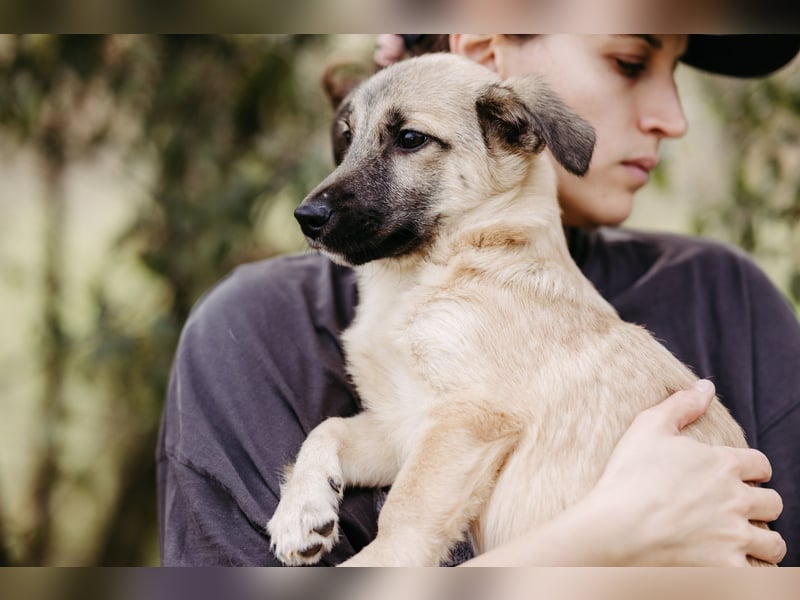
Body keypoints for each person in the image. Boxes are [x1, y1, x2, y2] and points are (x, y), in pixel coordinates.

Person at [157, 34, 800, 566]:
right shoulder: (253, 336)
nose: (673, 118)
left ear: (516, 129)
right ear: (484, 47)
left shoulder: (729, 299)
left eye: (408, 140)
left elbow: (472, 418)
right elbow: (436, 424)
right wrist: (607, 536)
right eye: (629, 61)